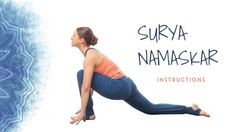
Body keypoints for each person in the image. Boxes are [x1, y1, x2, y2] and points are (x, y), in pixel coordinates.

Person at [69, 27, 210, 125]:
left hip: (117, 86)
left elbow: (86, 88)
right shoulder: (93, 54)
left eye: (74, 35)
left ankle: (89, 113)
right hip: (127, 83)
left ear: (81, 40)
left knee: (81, 74)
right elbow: (91, 86)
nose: (71, 37)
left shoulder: (89, 57)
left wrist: (83, 111)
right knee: (150, 108)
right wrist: (86, 102)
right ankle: (191, 110)